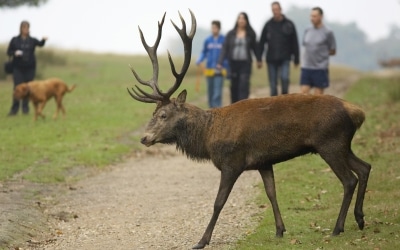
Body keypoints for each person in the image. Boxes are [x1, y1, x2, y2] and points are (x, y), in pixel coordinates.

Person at [6, 20, 48, 116]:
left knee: (28, 89)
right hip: (18, 67)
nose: (26, 29)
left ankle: (25, 109)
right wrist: (15, 53)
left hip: (29, 68)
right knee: (17, 88)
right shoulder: (15, 40)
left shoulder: (32, 40)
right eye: (24, 28)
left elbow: (40, 44)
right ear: (20, 29)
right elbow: (9, 52)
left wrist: (44, 40)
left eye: (27, 28)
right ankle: (14, 109)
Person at [258, 1, 299, 96]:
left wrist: (296, 58)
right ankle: (274, 106)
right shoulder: (268, 25)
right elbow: (262, 42)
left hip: (285, 57)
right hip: (271, 58)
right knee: (273, 84)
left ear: (280, 10)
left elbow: (294, 42)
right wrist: (259, 58)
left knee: (284, 78)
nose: (275, 12)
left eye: (277, 10)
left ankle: (284, 100)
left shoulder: (289, 24)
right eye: (273, 10)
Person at [217, 12, 259, 103]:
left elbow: (255, 48)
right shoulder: (231, 34)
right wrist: (220, 62)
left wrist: (259, 59)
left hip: (245, 64)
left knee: (243, 86)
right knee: (234, 86)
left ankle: (243, 106)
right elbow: (225, 49)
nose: (241, 20)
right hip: (233, 64)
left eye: (243, 18)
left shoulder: (251, 34)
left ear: (246, 21)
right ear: (237, 20)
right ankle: (234, 106)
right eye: (239, 18)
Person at [300, 7, 336, 95]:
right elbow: (305, 45)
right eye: (311, 16)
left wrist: (322, 54)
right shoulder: (307, 30)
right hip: (306, 67)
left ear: (321, 17)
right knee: (303, 94)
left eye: (314, 16)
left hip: (320, 68)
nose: (312, 18)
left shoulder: (328, 32)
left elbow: (333, 50)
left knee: (318, 97)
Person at [196, 20, 228, 108]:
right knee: (210, 91)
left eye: (215, 28)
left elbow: (226, 54)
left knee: (217, 92)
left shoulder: (224, 40)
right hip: (209, 70)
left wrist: (225, 65)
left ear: (219, 28)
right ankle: (211, 109)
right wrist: (199, 60)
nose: (214, 29)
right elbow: (204, 52)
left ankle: (217, 110)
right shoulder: (207, 40)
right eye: (212, 28)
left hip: (220, 70)